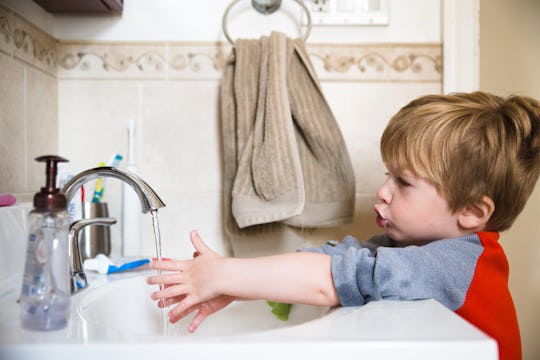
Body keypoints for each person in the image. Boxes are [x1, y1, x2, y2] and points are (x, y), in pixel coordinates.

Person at [147, 92, 540, 360]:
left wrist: (224, 274)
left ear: (471, 211)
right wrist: (236, 284)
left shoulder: (455, 264)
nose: (383, 191)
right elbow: (334, 258)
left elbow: (334, 277)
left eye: (403, 183)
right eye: (389, 175)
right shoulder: (411, 248)